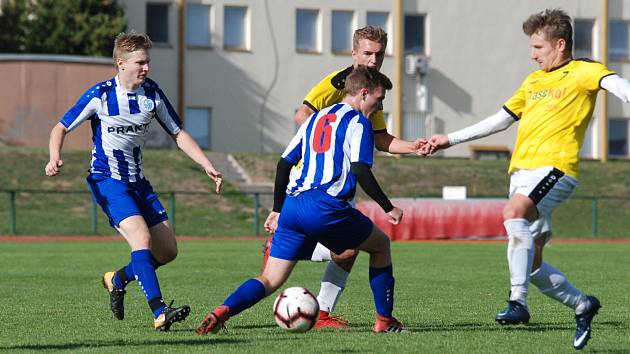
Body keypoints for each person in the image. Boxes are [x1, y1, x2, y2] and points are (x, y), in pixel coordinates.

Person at [423, 9, 630, 350]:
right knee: (532, 264)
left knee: (513, 213)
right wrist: (450, 139)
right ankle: (582, 304)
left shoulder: (583, 72)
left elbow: (617, 85)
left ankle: (517, 301)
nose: (532, 54)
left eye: (538, 47)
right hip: (521, 173)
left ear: (560, 45)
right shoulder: (533, 82)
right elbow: (500, 120)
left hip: (556, 168)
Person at [197, 66, 407, 335]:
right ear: (364, 93)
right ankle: (385, 321)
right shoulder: (359, 123)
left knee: (270, 279)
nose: (379, 108)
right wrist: (389, 207)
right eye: (379, 100)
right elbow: (360, 170)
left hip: (293, 206)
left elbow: (284, 164)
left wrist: (277, 209)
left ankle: (222, 311)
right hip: (326, 206)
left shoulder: (315, 118)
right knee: (380, 246)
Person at [45, 32, 223, 331]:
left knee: (167, 251)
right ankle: (159, 311)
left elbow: (178, 133)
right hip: (108, 181)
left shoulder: (151, 94)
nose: (146, 68)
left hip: (138, 182)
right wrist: (53, 157)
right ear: (121, 63)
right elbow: (60, 128)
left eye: (147, 62)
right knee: (142, 240)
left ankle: (117, 279)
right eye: (140, 62)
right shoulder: (100, 95)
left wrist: (207, 164)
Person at [261, 26, 426, 329]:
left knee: (347, 252)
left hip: (339, 185)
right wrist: (328, 144)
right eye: (367, 53)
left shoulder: (371, 91)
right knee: (357, 246)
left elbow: (381, 139)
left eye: (379, 54)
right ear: (353, 54)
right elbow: (302, 116)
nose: (373, 60)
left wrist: (413, 147)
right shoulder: (337, 83)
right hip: (316, 181)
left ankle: (321, 315)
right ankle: (348, 315)